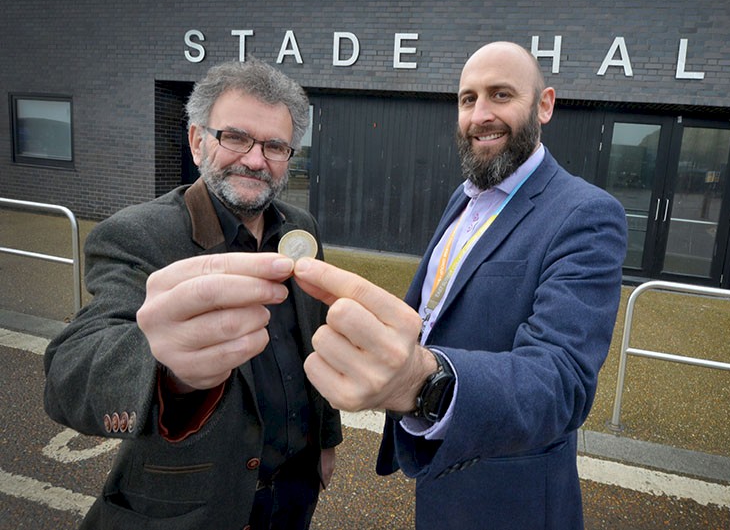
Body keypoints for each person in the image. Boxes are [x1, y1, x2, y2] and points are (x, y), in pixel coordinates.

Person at [294, 41, 627, 529]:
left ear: (545, 105)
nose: (480, 115)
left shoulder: (586, 214)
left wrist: (423, 383)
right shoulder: (466, 196)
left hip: (510, 497)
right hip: (440, 469)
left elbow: (562, 382)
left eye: (501, 95)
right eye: (468, 99)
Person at [43, 58, 342, 530]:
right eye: (236, 137)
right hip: (192, 508)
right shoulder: (139, 236)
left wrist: (326, 439)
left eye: (275, 146)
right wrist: (166, 368)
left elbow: (314, 340)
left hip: (294, 491)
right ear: (198, 141)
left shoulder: (303, 230)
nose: (255, 159)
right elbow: (70, 374)